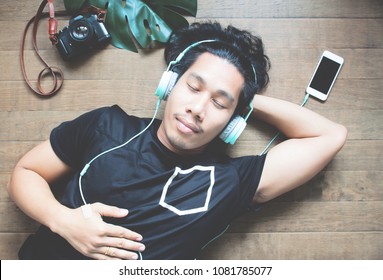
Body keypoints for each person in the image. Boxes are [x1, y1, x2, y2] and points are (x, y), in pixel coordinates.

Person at [7, 21, 347, 260]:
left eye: (219, 102)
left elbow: (330, 136)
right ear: (169, 84)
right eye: (193, 87)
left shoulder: (230, 181)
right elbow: (27, 172)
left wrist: (246, 100)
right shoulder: (107, 126)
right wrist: (61, 220)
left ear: (233, 121)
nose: (198, 108)